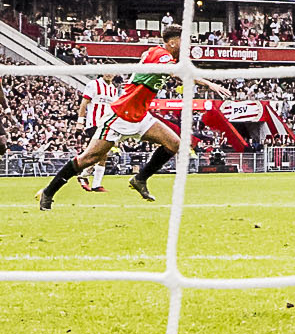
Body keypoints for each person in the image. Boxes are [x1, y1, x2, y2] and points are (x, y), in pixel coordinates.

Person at [36, 36, 186, 206]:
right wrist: (207, 83)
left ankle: (140, 179)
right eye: (182, 40)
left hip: (140, 115)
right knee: (89, 158)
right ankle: (48, 193)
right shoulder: (162, 55)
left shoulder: (156, 58)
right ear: (172, 41)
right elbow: (175, 72)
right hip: (119, 117)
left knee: (174, 143)